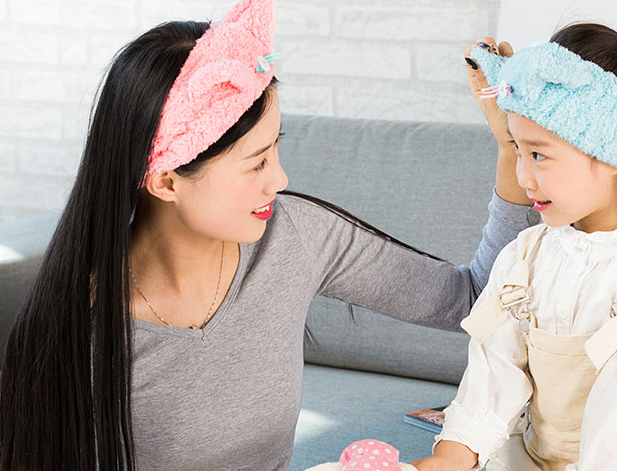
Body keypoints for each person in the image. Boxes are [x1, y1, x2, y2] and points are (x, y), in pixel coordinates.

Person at [0, 1, 536, 470]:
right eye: (256, 162)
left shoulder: (294, 236)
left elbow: (478, 297)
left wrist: (512, 145)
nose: (279, 180)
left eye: (277, 146)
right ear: (165, 181)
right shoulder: (79, 326)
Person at [412, 22, 617, 471]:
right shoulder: (525, 256)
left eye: (538, 154)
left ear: (611, 153)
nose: (523, 177)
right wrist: (446, 461)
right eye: (516, 149)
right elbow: (490, 386)